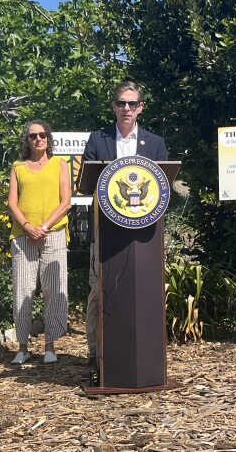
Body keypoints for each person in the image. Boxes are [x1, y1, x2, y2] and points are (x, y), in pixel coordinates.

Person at [81, 81, 168, 369]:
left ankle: (146, 355)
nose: (126, 108)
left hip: (144, 233)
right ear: (114, 107)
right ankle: (97, 354)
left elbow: (163, 184)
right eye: (121, 103)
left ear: (141, 107)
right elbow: (86, 184)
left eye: (132, 103)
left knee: (143, 291)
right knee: (99, 292)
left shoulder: (154, 143)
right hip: (106, 229)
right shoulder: (98, 139)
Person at [7, 120, 72, 364]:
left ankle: (50, 346)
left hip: (53, 233)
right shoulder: (18, 167)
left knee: (53, 290)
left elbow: (65, 202)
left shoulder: (60, 164)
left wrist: (43, 227)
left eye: (43, 135)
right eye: (33, 136)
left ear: (48, 138)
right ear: (27, 140)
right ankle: (22, 347)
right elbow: (12, 203)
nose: (38, 139)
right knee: (23, 290)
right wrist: (27, 227)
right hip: (23, 235)